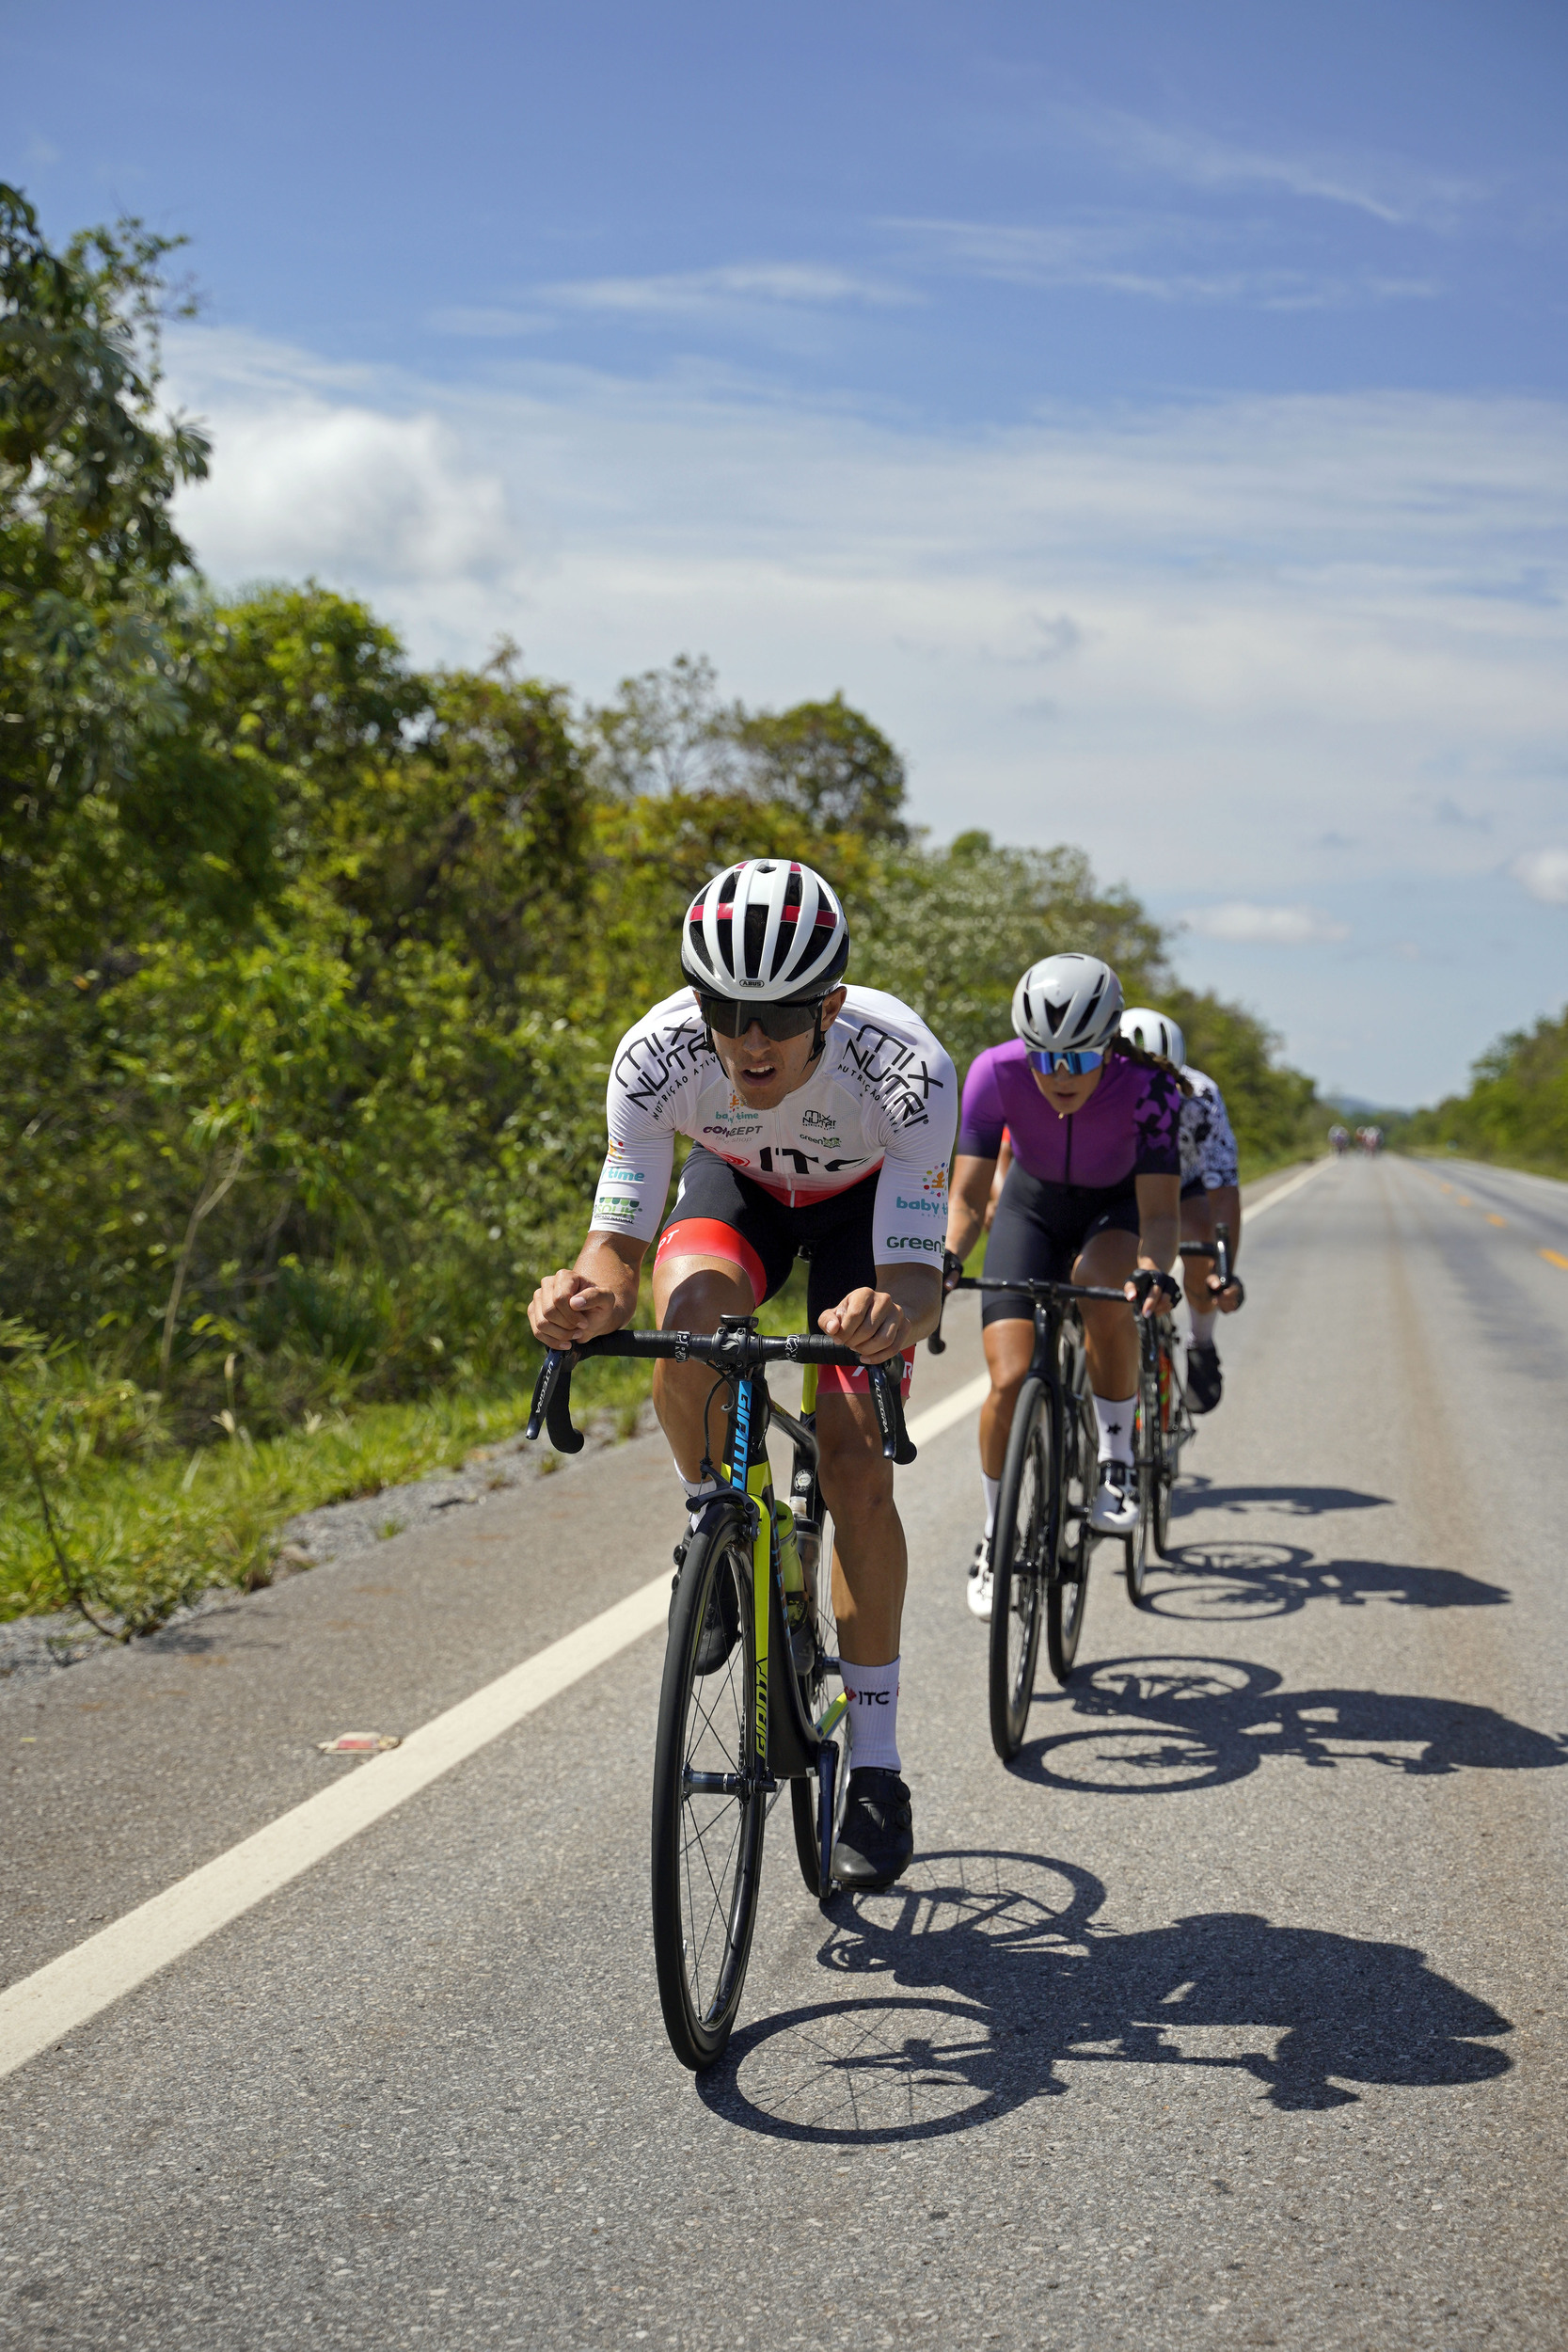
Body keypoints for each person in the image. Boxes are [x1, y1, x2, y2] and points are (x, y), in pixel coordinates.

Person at [527, 858, 956, 1889]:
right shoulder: (654, 1056)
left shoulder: (905, 1068)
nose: (748, 1039)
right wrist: (579, 1300)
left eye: (777, 1013)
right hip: (743, 1194)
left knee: (855, 1462)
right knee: (687, 1324)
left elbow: (913, 1275)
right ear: (696, 1000)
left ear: (831, 1004)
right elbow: (615, 1253)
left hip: (866, 1221)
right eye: (725, 1008)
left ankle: (878, 1771)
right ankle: (713, 1520)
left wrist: (884, 1316)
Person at [942, 952, 1183, 1622]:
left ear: (1111, 1044)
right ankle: (995, 1535)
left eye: (1076, 1060)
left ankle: (1113, 1456)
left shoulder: (1150, 1089)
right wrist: (944, 1258)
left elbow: (1161, 1215)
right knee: (1008, 1377)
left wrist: (1153, 1270)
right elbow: (964, 1199)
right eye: (1043, 1057)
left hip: (1116, 1211)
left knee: (1099, 1284)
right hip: (1030, 1208)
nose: (1056, 1076)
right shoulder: (994, 1073)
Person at [1118, 1009, 1245, 1414]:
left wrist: (1222, 1271)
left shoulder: (1202, 1097)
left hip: (1184, 1181)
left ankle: (1201, 1342)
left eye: (1164, 1082)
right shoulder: (1095, 1090)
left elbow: (1223, 1191)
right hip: (1118, 1182)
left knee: (1198, 1244)